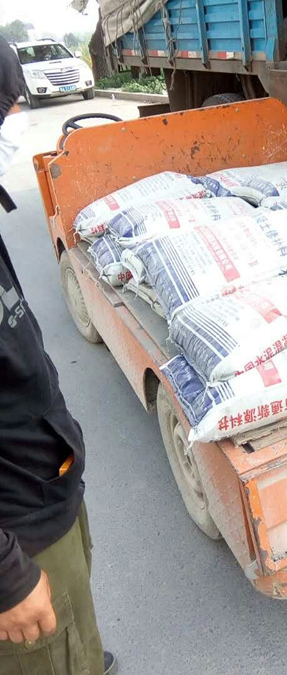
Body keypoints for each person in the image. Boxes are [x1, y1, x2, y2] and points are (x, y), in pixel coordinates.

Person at [0, 35, 115, 675]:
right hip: (17, 528)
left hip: (46, 482)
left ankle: (86, 657)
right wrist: (7, 575)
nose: (15, 119)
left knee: (75, 625)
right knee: (48, 650)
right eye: (1, 107)